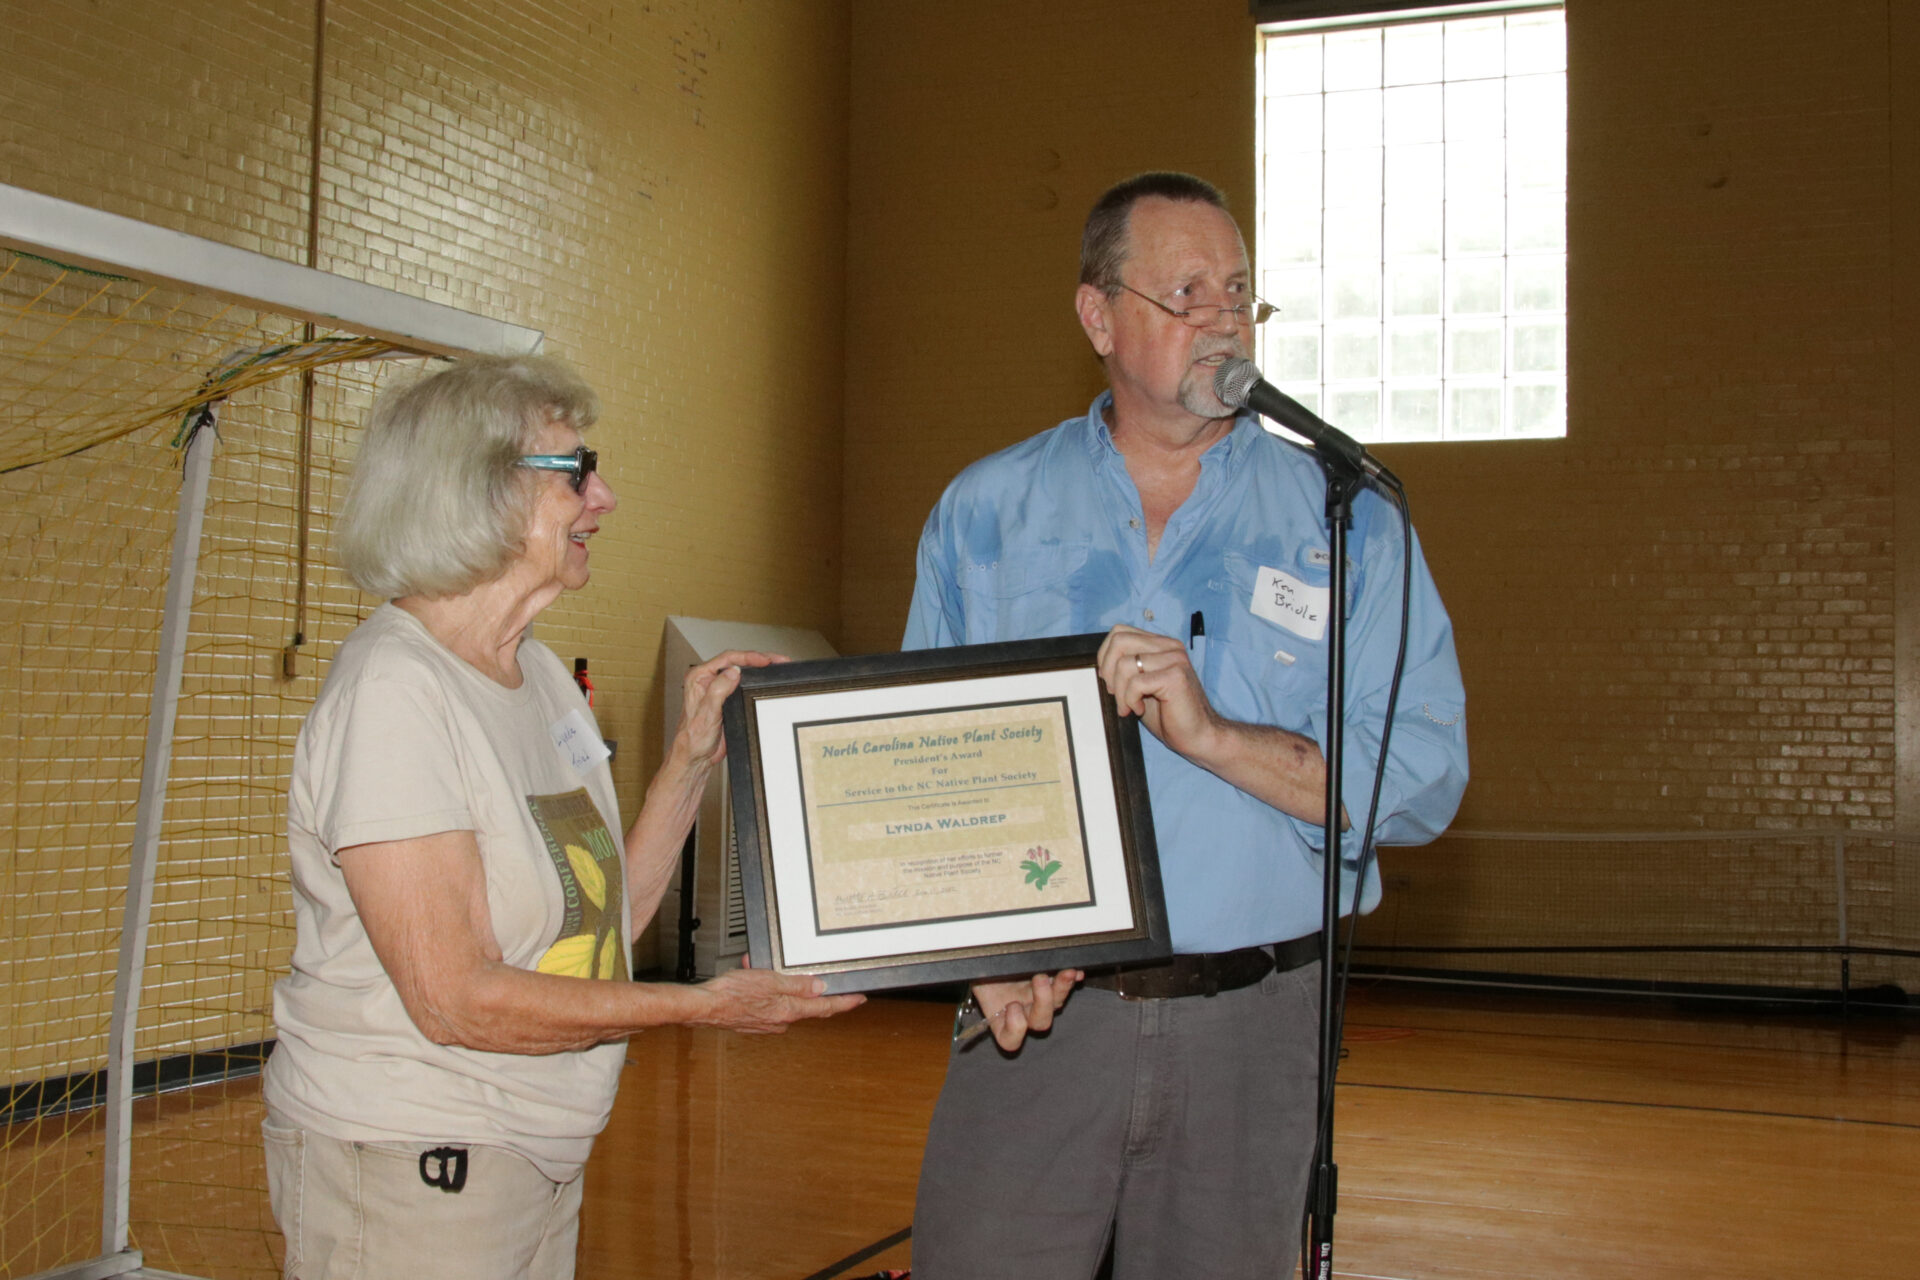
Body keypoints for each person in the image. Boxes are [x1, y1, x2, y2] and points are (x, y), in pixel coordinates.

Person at [903, 172, 1468, 1278]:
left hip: (1252, 1025)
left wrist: (1217, 737)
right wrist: (978, 956)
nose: (1223, 315)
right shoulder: (987, 510)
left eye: (1242, 290)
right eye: (1188, 290)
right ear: (1099, 316)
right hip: (1042, 1018)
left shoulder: (1347, 517)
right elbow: (927, 768)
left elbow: (1420, 775)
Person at [260, 354, 863, 1280]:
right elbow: (455, 997)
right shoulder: (394, 691)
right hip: (413, 1164)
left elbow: (596, 930)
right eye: (575, 471)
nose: (605, 496)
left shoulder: (537, 673)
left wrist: (689, 762)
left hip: (534, 1154)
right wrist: (699, 1008)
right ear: (478, 491)